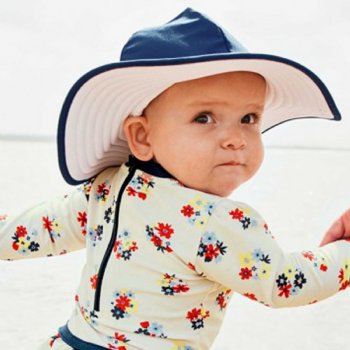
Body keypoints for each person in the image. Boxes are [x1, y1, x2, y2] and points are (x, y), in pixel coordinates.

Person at [1, 7, 349, 350]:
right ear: (141, 136)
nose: (236, 138)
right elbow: (285, 283)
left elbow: (30, 232)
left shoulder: (105, 189)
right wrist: (344, 254)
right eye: (204, 117)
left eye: (248, 118)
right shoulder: (214, 221)